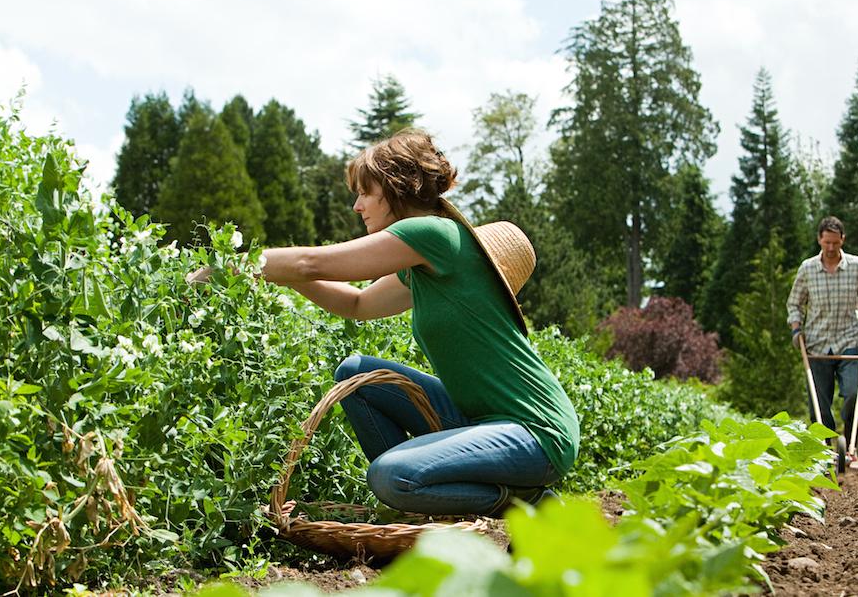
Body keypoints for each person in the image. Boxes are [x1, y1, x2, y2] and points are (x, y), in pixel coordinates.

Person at [189, 129, 579, 517]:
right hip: (479, 423)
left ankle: (524, 503)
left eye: (365, 192)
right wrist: (282, 275)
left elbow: (313, 263)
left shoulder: (432, 233)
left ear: (396, 188)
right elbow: (357, 303)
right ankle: (412, 507)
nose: (357, 206)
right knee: (356, 375)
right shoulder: (424, 266)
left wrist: (227, 267)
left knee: (392, 476)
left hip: (535, 432)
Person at [786, 215, 858, 471]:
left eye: (835, 243)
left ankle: (851, 448)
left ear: (842, 241)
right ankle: (825, 451)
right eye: (826, 242)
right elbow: (795, 303)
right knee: (819, 404)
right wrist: (796, 329)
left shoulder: (857, 267)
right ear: (819, 240)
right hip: (815, 344)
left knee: (853, 396)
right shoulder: (807, 269)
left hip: (849, 341)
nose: (830, 248)